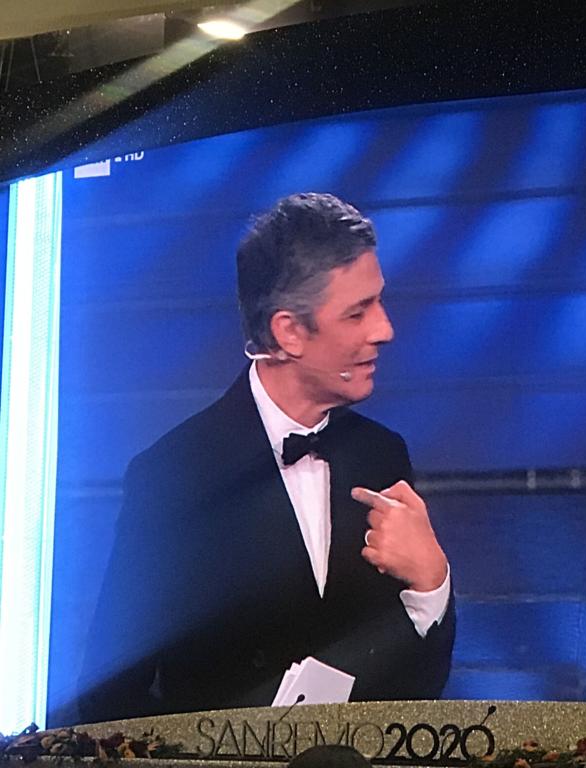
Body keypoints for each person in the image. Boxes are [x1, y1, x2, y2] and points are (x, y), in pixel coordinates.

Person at [78, 193, 454, 723]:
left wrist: (432, 581)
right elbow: (110, 702)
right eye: (357, 312)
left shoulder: (381, 454)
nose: (384, 329)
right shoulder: (173, 477)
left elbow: (415, 690)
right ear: (289, 332)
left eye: (379, 302)